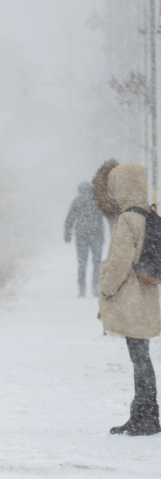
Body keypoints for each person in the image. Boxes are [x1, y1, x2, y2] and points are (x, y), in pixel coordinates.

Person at [94, 159, 161, 436]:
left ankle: (146, 416)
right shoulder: (150, 214)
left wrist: (106, 290)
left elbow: (120, 262)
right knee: (142, 356)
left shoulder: (127, 218)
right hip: (147, 296)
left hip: (131, 298)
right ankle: (144, 414)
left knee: (140, 358)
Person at [64, 180, 106, 297]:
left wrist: (67, 234)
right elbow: (109, 215)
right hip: (97, 236)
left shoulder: (77, 201)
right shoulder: (98, 201)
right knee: (97, 263)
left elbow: (70, 218)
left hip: (81, 237)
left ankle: (82, 289)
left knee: (82, 264)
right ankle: (95, 287)